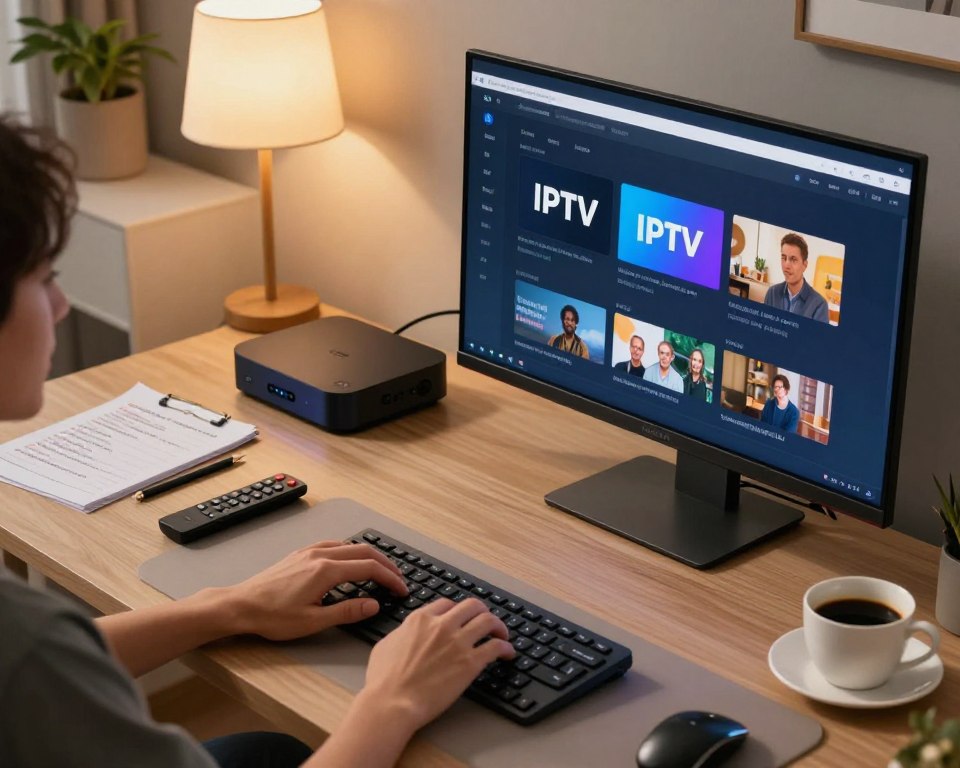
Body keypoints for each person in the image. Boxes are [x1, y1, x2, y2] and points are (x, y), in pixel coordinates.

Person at [0, 116, 515, 768]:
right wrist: (394, 699)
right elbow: (33, 658)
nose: (62, 306)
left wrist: (227, 607)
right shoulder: (27, 648)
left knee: (264, 751)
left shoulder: (32, 649)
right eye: (45, 277)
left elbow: (45, 661)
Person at [763, 233, 829, 323]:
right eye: (784, 258)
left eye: (793, 259)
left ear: (805, 265)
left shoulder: (819, 305)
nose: (786, 265)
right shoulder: (772, 293)